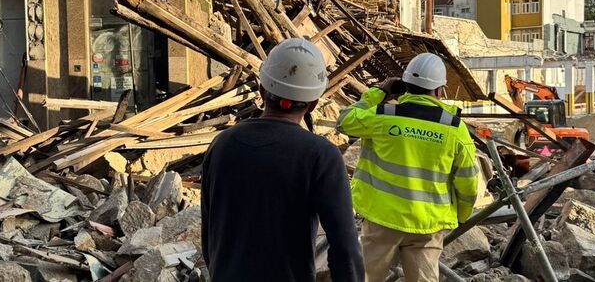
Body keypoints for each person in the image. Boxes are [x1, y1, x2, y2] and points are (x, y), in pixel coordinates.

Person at [200, 38, 364, 282]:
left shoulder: (223, 144)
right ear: (313, 104)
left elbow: (209, 234)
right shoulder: (320, 155)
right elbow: (345, 249)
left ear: (262, 90)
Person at [336, 52, 478, 282]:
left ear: (404, 86)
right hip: (427, 225)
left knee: (365, 278)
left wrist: (377, 93)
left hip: (382, 219)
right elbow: (468, 182)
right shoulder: (454, 128)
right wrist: (461, 215)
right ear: (439, 90)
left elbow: (344, 121)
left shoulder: (383, 116)